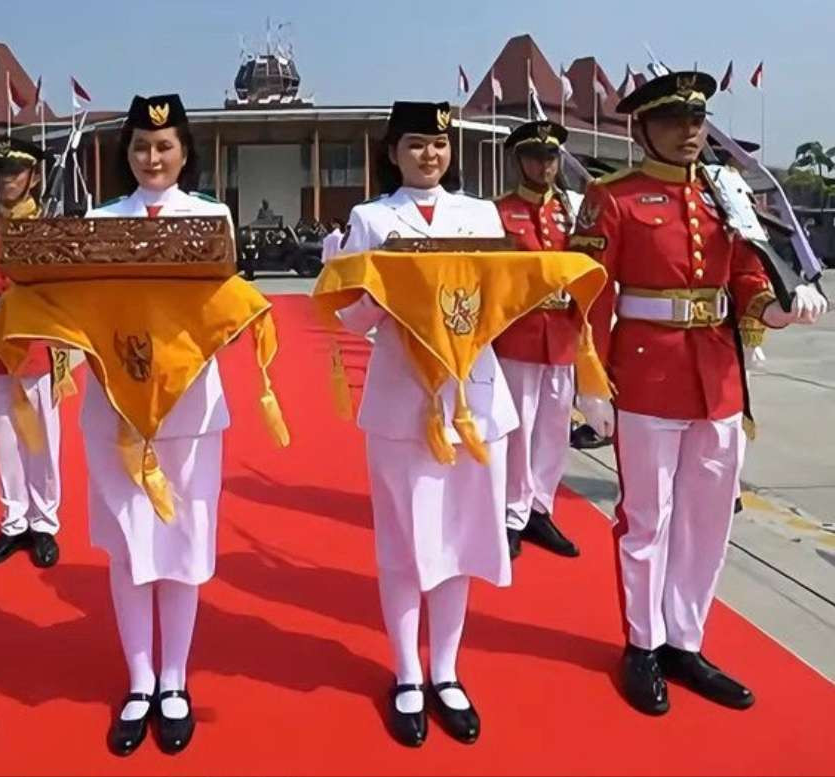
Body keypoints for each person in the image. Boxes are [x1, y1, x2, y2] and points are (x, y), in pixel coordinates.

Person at [570, 71, 827, 716]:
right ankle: (642, 643)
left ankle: (686, 640)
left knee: (708, 520)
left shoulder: (725, 192)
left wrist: (776, 309)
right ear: (643, 128)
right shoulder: (613, 197)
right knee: (647, 519)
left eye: (697, 120)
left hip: (715, 375)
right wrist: (590, 380)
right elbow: (590, 294)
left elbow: (744, 272)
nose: (690, 132)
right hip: (645, 374)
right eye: (674, 121)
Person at [335, 101, 516, 747]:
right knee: (405, 541)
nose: (429, 155)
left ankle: (446, 669)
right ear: (393, 151)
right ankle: (407, 670)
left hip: (473, 398)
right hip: (401, 395)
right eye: (415, 145)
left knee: (462, 537)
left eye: (438, 145)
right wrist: (372, 288)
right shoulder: (371, 219)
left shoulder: (482, 216)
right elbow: (350, 319)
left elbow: (503, 303)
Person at [83, 94, 232, 756]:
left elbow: (226, 307)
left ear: (185, 153)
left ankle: (175, 679)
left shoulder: (212, 218)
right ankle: (138, 680)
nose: (151, 157)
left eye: (164, 146)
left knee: (180, 546)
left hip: (189, 410)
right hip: (115, 409)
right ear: (127, 153)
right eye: (141, 146)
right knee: (127, 548)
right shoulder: (96, 220)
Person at [0, 136, 64, 569]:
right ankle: (13, 522)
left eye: (15, 171)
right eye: (0, 170)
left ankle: (44, 522)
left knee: (40, 439)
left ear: (34, 176)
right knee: (5, 440)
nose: (6, 179)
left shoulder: (50, 228)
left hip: (33, 346)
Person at [494, 120, 583, 560]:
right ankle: (511, 511)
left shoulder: (571, 210)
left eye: (550, 157)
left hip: (562, 333)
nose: (543, 165)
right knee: (518, 427)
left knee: (553, 428)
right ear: (518, 161)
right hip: (519, 333)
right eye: (534, 156)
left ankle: (539, 508)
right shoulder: (498, 211)